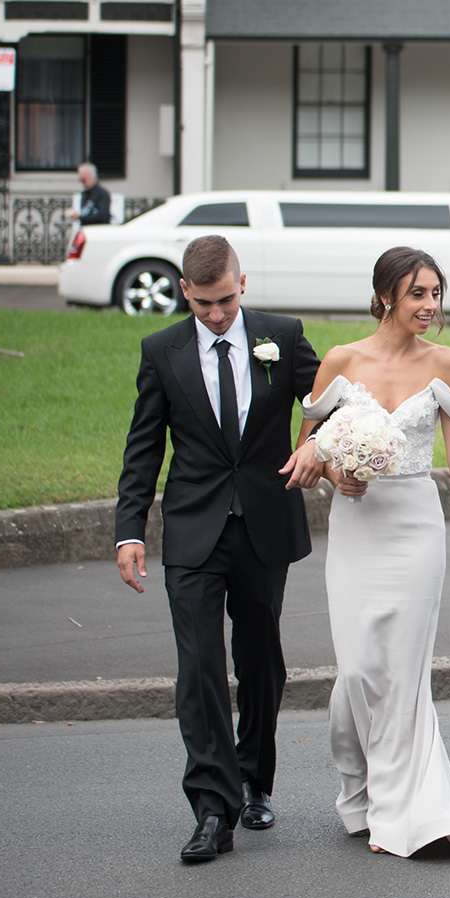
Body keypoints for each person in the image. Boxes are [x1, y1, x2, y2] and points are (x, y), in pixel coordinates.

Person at [113, 234, 325, 864]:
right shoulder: (162, 351)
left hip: (264, 522)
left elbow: (332, 402)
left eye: (226, 300)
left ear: (242, 283)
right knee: (200, 663)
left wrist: (318, 441)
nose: (215, 314)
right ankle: (212, 805)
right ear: (185, 291)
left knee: (259, 660)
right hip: (193, 528)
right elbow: (143, 448)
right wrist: (130, 531)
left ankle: (255, 778)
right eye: (203, 303)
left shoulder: (281, 336)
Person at [298, 248, 450, 857]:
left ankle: (397, 809)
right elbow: (306, 454)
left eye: (437, 293)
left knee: (404, 675)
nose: (430, 306)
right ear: (386, 294)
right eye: (418, 293)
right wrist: (338, 473)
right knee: (360, 669)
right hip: (358, 526)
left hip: (418, 526)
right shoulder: (341, 362)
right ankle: (358, 789)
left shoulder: (446, 362)